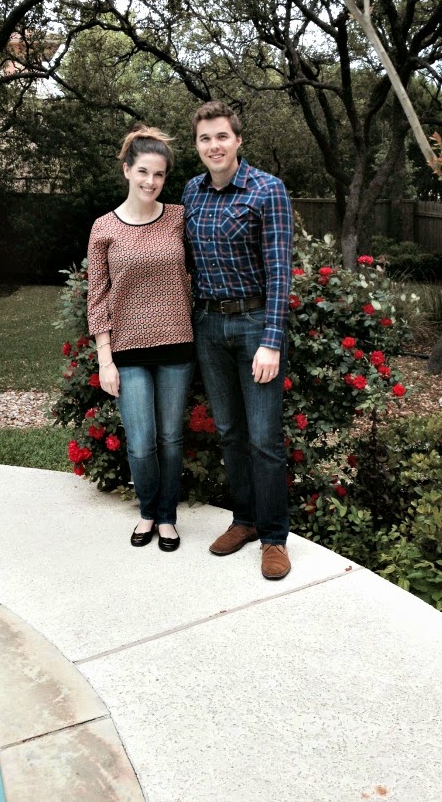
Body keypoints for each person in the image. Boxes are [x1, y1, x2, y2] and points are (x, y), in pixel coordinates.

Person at [183, 101, 294, 579]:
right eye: (205, 138)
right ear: (197, 145)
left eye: (222, 136)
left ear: (238, 140)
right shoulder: (192, 191)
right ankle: (244, 521)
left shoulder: (267, 190)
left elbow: (280, 272)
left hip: (255, 326)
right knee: (229, 431)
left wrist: (271, 340)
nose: (214, 146)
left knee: (264, 438)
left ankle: (274, 538)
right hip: (209, 326)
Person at [87, 125, 193, 552]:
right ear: (127, 170)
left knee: (170, 438)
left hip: (177, 344)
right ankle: (147, 510)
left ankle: (166, 517)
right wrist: (105, 359)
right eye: (144, 172)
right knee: (142, 441)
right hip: (127, 350)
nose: (151, 181)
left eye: (159, 174)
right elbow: (97, 297)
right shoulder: (103, 228)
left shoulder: (179, 218)